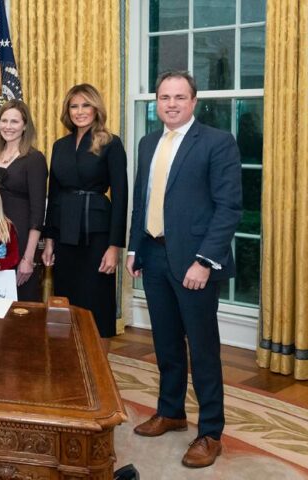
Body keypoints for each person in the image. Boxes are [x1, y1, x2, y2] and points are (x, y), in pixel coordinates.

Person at [126, 70, 242, 468]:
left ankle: (210, 432)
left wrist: (205, 261)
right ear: (156, 102)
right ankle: (171, 411)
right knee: (166, 345)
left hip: (195, 262)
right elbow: (142, 200)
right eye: (164, 97)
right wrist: (134, 248)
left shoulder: (217, 142)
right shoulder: (147, 143)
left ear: (194, 102)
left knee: (203, 350)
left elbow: (228, 208)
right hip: (154, 257)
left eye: (179, 97)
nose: (171, 104)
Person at [42, 84, 128, 346]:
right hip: (65, 232)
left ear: (96, 108)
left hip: (98, 234)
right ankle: (72, 364)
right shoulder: (60, 146)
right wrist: (49, 241)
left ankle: (99, 369)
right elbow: (53, 194)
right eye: (74, 106)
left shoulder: (111, 143)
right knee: (68, 302)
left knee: (97, 305)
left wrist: (115, 246)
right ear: (67, 111)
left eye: (85, 105)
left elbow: (121, 196)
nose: (80, 112)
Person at [0, 100, 48, 301]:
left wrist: (28, 258)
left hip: (21, 240)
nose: (8, 126)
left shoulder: (34, 159)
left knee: (22, 305)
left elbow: (38, 213)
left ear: (25, 125)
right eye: (4, 120)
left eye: (15, 121)